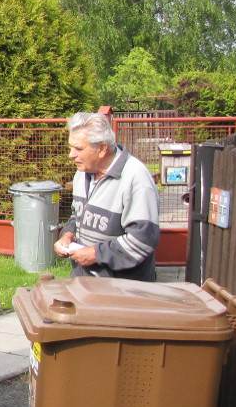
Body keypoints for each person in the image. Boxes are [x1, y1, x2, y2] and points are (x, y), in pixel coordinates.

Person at [53, 112, 160, 281]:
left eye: (79, 148)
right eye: (70, 148)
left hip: (123, 292)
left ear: (102, 149)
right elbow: (77, 216)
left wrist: (96, 254)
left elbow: (143, 240)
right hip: (84, 282)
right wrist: (67, 234)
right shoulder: (82, 174)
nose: (71, 155)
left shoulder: (136, 178)